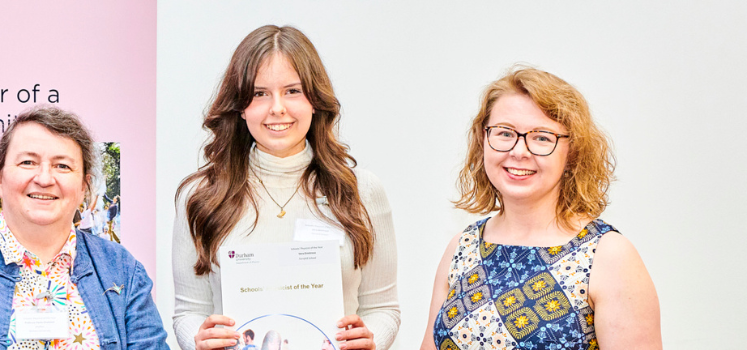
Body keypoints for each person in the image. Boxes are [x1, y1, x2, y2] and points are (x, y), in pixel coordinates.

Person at [172, 25, 400, 350]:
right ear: (241, 106)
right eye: (259, 93)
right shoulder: (201, 196)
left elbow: (383, 308)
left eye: (292, 91)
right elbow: (188, 312)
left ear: (315, 101)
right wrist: (199, 338)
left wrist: (370, 338)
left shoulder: (362, 190)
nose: (277, 107)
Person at [420, 67, 662, 349]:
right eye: (505, 133)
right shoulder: (462, 246)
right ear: (482, 140)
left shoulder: (608, 256)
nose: (519, 151)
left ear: (572, 153)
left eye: (542, 138)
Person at [0, 106, 167, 349]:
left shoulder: (123, 270)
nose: (44, 178)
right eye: (27, 162)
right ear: (0, 177)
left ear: (84, 186)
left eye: (62, 166)